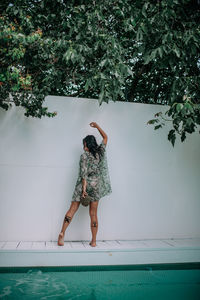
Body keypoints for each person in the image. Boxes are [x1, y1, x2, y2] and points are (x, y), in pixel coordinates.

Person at [57, 122, 112, 247]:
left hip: (83, 186)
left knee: (72, 210)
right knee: (93, 214)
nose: (83, 146)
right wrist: (98, 126)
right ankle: (93, 241)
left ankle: (62, 233)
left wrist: (83, 190)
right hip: (96, 187)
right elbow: (105, 138)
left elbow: (83, 174)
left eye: (84, 144)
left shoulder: (84, 156)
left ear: (86, 144)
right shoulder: (100, 153)